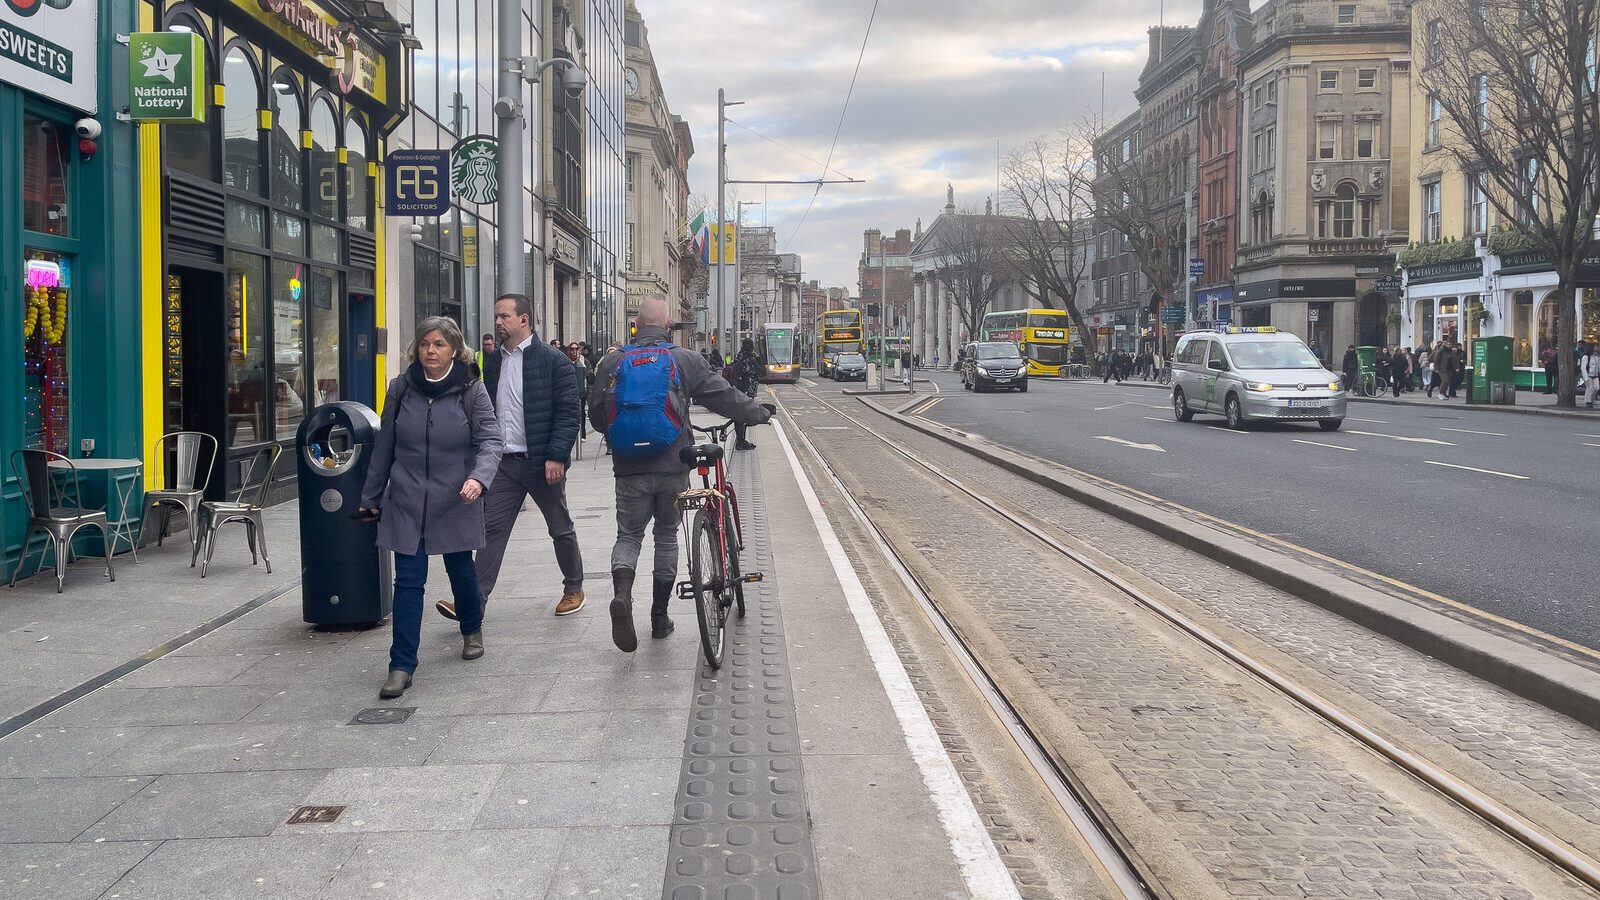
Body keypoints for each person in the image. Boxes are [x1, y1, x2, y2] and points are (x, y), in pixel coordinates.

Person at [588, 296, 775, 652]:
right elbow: (723, 396)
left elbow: (598, 417)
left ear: (636, 325)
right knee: (667, 536)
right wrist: (758, 414)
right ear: (668, 324)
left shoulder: (612, 362)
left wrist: (623, 436)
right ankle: (660, 617)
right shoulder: (683, 359)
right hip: (673, 464)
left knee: (628, 536)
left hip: (628, 469)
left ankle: (622, 597)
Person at [359, 316, 503, 699]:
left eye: (439, 344)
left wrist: (479, 477)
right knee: (408, 582)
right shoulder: (400, 389)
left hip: (456, 496)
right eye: (425, 344)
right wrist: (370, 498)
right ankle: (401, 665)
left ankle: (471, 628)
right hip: (406, 498)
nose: (431, 351)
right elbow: (385, 446)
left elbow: (491, 440)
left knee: (461, 571)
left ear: (455, 349)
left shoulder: (471, 390)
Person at [436, 293, 585, 622]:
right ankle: (472, 602)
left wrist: (557, 456)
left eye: (504, 316)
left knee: (560, 527)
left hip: (541, 462)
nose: (499, 323)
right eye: (497, 317)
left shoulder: (553, 360)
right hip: (502, 464)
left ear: (524, 319)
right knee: (490, 533)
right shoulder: (491, 361)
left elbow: (568, 413)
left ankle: (574, 587)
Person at [729, 338, 763, 450]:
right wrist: (758, 359)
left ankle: (740, 439)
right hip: (748, 390)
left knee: (739, 414)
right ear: (752, 346)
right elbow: (761, 372)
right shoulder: (751, 359)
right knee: (744, 415)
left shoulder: (739, 356)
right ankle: (741, 441)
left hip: (738, 389)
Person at [1584, 343, 1600, 408]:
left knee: (1596, 388)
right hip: (1588, 374)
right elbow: (1583, 367)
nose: (1597, 348)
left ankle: (1591, 400)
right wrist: (1585, 377)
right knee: (1589, 388)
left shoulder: (1597, 356)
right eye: (1596, 347)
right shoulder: (1586, 357)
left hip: (1595, 374)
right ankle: (1588, 401)